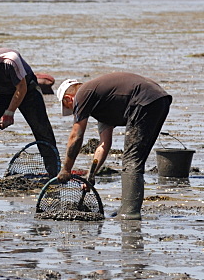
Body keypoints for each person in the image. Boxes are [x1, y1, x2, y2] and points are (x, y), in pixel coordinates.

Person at [55, 72, 171, 220]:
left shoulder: (82, 94)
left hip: (145, 101)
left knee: (131, 161)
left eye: (70, 108)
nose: (75, 113)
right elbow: (104, 145)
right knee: (136, 160)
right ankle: (127, 207)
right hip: (159, 100)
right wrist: (91, 174)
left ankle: (130, 213)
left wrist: (66, 169)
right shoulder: (102, 105)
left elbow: (76, 136)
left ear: (68, 99)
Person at [0, 48, 60, 182]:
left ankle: (54, 174)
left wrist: (9, 112)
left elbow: (21, 88)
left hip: (27, 90)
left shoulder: (10, 60)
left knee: (42, 129)